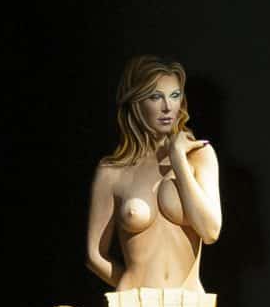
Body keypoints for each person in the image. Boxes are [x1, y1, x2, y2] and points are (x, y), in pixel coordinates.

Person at [85, 54, 222, 293]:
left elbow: (211, 231)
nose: (167, 107)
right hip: (134, 304)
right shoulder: (112, 171)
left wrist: (178, 159)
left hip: (190, 304)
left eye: (174, 95)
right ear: (136, 102)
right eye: (155, 97)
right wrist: (132, 288)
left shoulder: (199, 155)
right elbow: (94, 255)